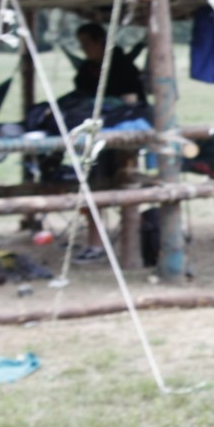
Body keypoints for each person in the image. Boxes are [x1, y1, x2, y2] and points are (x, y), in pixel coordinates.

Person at [68, 22, 146, 263]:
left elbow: (132, 100)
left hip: (119, 135)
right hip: (94, 135)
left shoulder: (121, 65)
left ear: (99, 41)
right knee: (94, 185)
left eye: (86, 43)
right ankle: (96, 243)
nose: (83, 48)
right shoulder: (87, 69)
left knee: (124, 184)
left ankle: (126, 242)